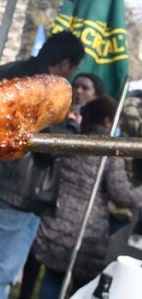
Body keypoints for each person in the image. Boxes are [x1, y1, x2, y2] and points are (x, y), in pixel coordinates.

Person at [0, 30, 85, 299]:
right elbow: (50, 149)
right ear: (65, 63)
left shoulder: (8, 70)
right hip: (20, 194)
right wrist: (73, 128)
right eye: (73, 68)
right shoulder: (50, 89)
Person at [33, 96, 142, 298]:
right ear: (108, 121)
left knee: (52, 279)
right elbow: (121, 194)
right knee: (82, 290)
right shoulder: (109, 150)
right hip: (87, 235)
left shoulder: (70, 141)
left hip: (56, 223)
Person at [17, 72, 105, 299]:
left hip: (69, 211)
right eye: (76, 86)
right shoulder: (59, 115)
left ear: (96, 95)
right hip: (45, 198)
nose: (79, 91)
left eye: (85, 88)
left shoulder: (95, 130)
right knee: (34, 262)